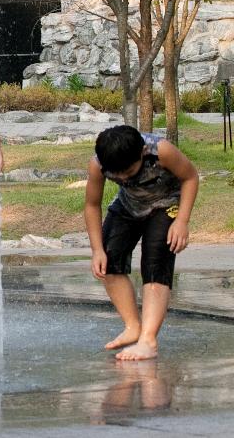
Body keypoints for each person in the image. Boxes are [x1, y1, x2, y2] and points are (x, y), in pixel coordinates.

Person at [84, 124, 199, 361]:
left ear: (141, 153)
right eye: (119, 174)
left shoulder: (161, 151)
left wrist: (182, 222)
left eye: (129, 171)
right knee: (108, 260)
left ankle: (148, 340)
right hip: (128, 206)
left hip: (166, 205)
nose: (125, 177)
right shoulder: (99, 164)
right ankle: (132, 327)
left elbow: (190, 177)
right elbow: (92, 205)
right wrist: (97, 250)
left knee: (155, 264)